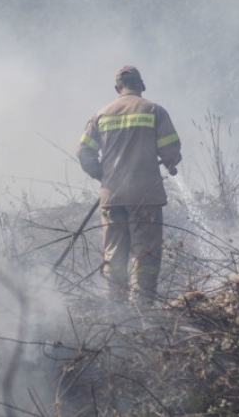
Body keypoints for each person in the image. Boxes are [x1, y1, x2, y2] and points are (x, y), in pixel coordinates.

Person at [77, 65, 182, 307]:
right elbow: (170, 151)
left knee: (114, 255)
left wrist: (103, 176)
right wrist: (171, 160)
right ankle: (142, 311)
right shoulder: (154, 111)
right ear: (141, 85)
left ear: (117, 88)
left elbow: (83, 152)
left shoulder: (101, 115)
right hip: (145, 196)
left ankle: (116, 311)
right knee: (145, 255)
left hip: (112, 197)